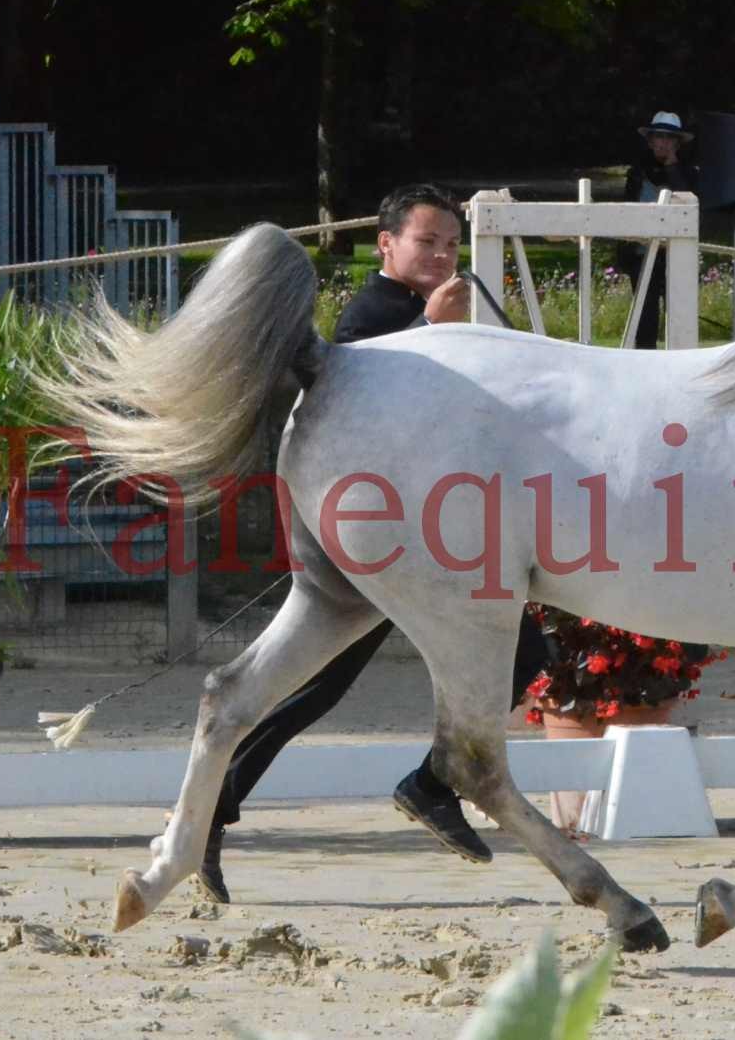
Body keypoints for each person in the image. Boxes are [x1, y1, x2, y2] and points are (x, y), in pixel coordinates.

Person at [198, 182, 552, 903]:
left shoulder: (442, 317)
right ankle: (217, 807)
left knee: (523, 655)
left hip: (434, 538)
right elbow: (358, 407)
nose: (443, 255)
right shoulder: (369, 315)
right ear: (386, 245)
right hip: (380, 536)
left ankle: (432, 781)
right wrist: (429, 323)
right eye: (428, 242)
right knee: (312, 687)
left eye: (451, 244)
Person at [617, 111, 701, 349]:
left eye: (668, 138)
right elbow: (626, 209)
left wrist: (672, 166)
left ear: (677, 143)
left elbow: (688, 200)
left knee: (678, 313)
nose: (662, 143)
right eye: (658, 137)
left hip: (676, 254)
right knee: (645, 315)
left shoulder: (688, 173)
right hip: (642, 254)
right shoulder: (637, 172)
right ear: (650, 140)